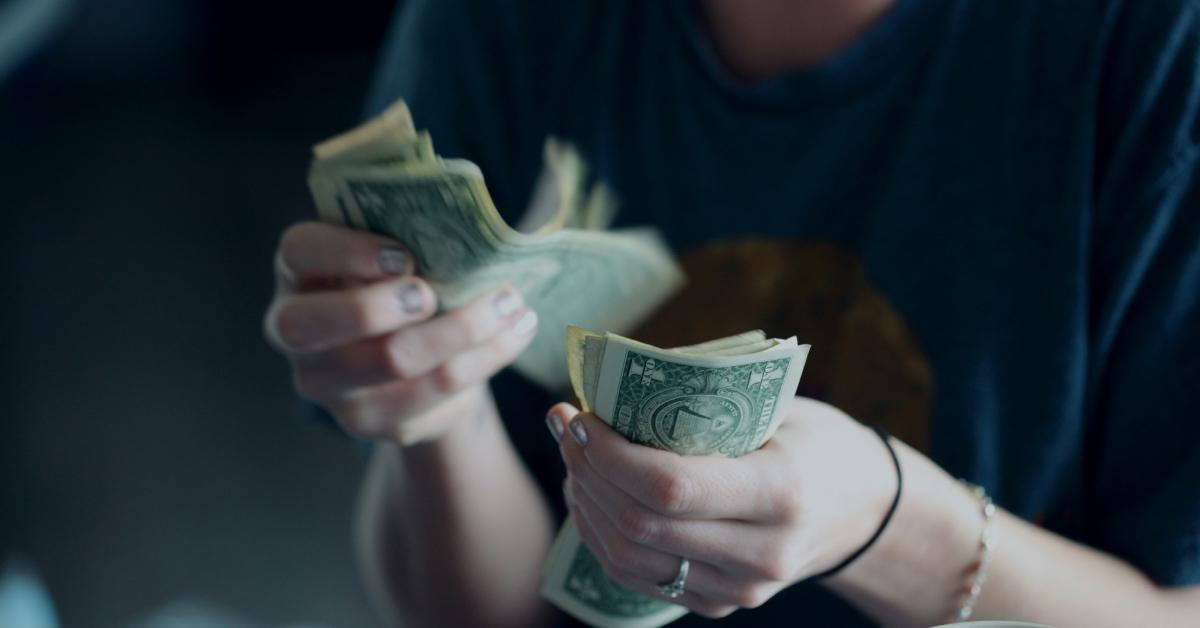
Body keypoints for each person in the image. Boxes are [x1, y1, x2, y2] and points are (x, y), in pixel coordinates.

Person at [263, 0, 1200, 626]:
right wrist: (434, 411)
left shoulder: (1158, 45)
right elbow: (491, 614)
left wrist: (893, 526)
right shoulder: (502, 18)